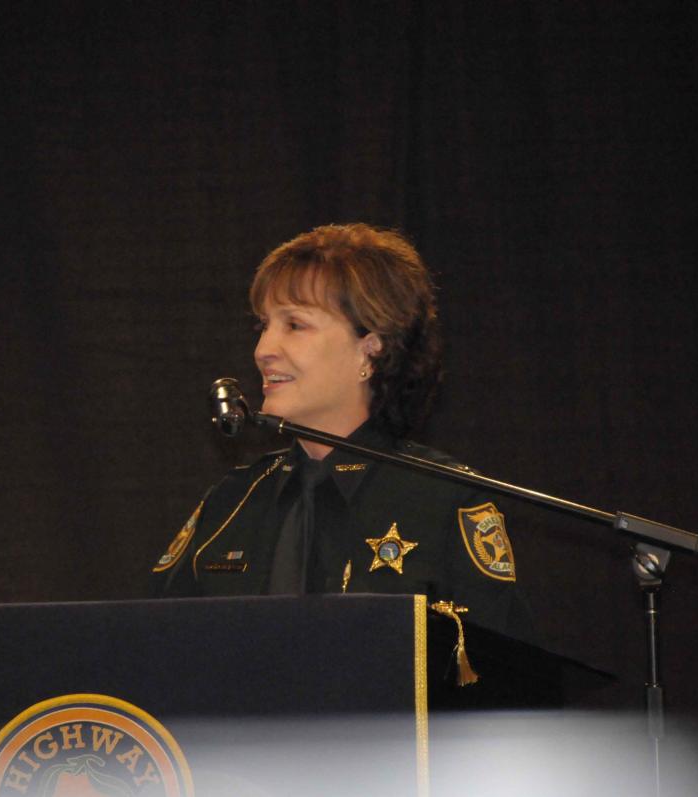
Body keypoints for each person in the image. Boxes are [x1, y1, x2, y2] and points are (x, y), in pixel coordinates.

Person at [151, 223, 533, 640]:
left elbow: (504, 668)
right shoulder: (231, 504)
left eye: (295, 325)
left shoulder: (445, 500)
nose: (263, 351)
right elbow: (148, 647)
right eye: (263, 325)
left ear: (370, 348)